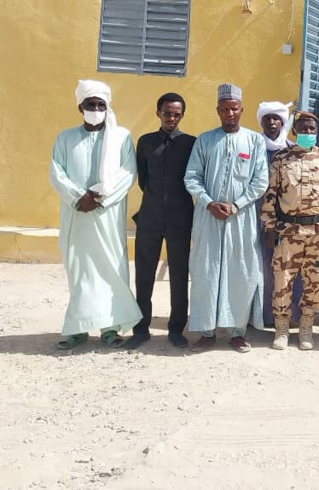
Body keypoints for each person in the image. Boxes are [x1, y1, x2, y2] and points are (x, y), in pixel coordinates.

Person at [49, 80, 141, 350]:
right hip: (76, 215)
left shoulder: (121, 137)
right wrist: (79, 198)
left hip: (107, 217)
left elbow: (128, 173)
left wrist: (101, 200)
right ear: (80, 107)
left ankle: (111, 329)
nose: (96, 108)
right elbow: (57, 172)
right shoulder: (65, 138)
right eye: (91, 104)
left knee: (111, 270)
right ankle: (78, 329)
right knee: (79, 272)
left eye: (101, 104)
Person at [184, 84, 268, 354]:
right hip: (208, 217)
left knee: (240, 272)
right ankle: (207, 332)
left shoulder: (254, 141)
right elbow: (192, 177)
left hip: (240, 219)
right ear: (217, 111)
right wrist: (209, 203)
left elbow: (260, 181)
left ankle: (237, 332)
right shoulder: (205, 140)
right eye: (224, 109)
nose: (229, 113)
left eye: (234, 108)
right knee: (206, 271)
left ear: (242, 110)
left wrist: (236, 205)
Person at [261, 112, 319, 351]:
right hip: (287, 231)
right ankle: (282, 329)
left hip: (318, 232)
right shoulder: (281, 159)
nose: (307, 133)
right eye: (302, 128)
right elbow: (270, 195)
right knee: (282, 282)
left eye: (311, 129)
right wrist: (269, 226)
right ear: (295, 131)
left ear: (316, 132)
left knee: (314, 282)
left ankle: (306, 328)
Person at [127, 92, 196, 350]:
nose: (171, 118)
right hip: (150, 216)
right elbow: (143, 179)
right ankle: (141, 328)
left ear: (182, 116)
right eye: (167, 113)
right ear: (158, 113)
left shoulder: (191, 143)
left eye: (176, 114)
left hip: (180, 218)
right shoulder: (145, 142)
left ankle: (176, 329)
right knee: (144, 274)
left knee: (179, 274)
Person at [256, 100, 301, 328]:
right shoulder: (254, 146)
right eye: (267, 118)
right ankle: (264, 316)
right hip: (258, 217)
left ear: (283, 122)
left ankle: (291, 316)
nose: (272, 122)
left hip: (289, 219)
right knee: (263, 268)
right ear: (261, 121)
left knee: (291, 268)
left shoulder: (293, 149)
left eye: (276, 118)